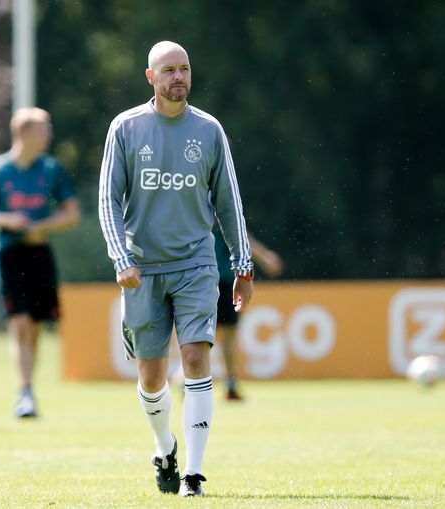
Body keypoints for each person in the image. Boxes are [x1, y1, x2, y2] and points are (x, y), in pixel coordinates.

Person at [98, 41, 254, 497]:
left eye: (184, 68)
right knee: (151, 377)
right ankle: (164, 448)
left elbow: (229, 202)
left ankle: (193, 474)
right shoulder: (126, 127)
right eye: (168, 70)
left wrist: (243, 265)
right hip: (141, 267)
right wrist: (121, 258)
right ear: (151, 77)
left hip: (195, 263)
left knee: (196, 358)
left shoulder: (209, 129)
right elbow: (107, 200)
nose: (178, 77)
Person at [0, 107, 80, 418]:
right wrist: (7, 220)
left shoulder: (52, 169)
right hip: (9, 256)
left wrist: (41, 226)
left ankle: (28, 389)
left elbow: (71, 214)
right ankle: (25, 393)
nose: (49, 134)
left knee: (35, 327)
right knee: (19, 324)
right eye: (43, 128)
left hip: (40, 254)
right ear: (23, 132)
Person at [213, 225, 283, 401]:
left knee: (202, 335)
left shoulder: (197, 217)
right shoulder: (221, 216)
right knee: (227, 336)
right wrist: (265, 257)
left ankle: (185, 379)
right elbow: (242, 240)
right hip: (226, 281)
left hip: (203, 280)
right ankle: (229, 385)